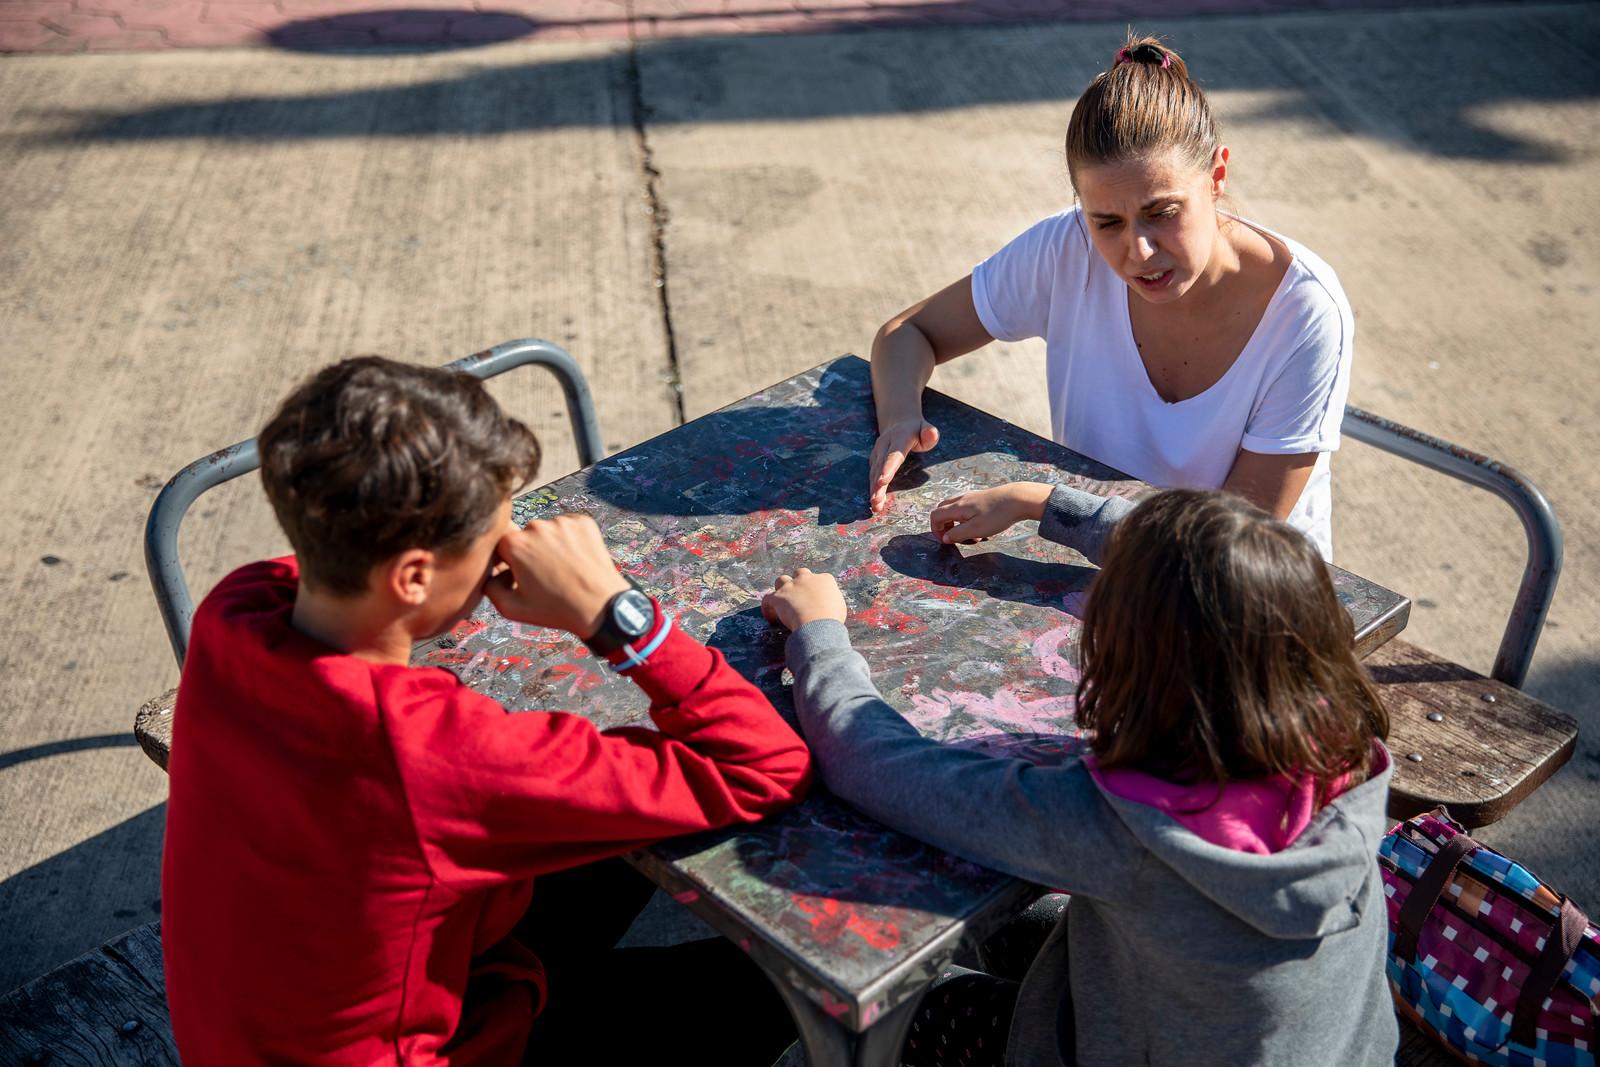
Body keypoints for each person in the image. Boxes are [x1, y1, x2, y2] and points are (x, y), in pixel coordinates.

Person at [161, 357, 810, 1066]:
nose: (509, 550)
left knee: (613, 857)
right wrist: (610, 611)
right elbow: (764, 764)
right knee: (781, 980)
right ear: (412, 576)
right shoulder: (433, 755)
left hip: (252, 1035)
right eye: (492, 540)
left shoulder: (238, 607)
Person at [760, 487, 1397, 1066]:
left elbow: (873, 764)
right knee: (1037, 931)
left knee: (856, 1027)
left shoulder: (1121, 829)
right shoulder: (1340, 735)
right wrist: (1041, 504)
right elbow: (1219, 577)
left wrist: (818, 632)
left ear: (1125, 659)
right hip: (1340, 1049)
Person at [867, 35, 1356, 560]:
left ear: (1217, 176)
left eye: (1162, 212)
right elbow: (907, 333)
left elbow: (1229, 549)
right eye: (1107, 222)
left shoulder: (1305, 311)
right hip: (1103, 573)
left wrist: (1040, 504)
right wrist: (899, 418)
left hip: (1244, 611)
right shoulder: (1065, 247)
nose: (1139, 251)